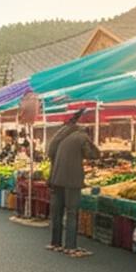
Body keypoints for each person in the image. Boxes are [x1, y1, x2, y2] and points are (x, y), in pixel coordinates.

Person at [46, 110, 100, 257]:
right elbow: (93, 154)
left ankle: (55, 243)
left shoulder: (61, 135)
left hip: (56, 177)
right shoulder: (81, 136)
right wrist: (93, 145)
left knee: (57, 212)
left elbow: (50, 153)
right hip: (72, 178)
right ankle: (70, 246)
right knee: (72, 212)